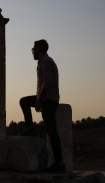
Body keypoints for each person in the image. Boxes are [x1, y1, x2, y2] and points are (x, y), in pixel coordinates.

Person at [19, 39, 65, 173]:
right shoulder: (43, 62)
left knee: (52, 132)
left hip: (48, 100)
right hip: (48, 98)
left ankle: (59, 163)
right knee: (24, 101)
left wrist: (39, 101)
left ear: (39, 48)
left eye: (34, 48)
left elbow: (48, 83)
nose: (32, 51)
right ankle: (30, 129)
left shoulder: (46, 62)